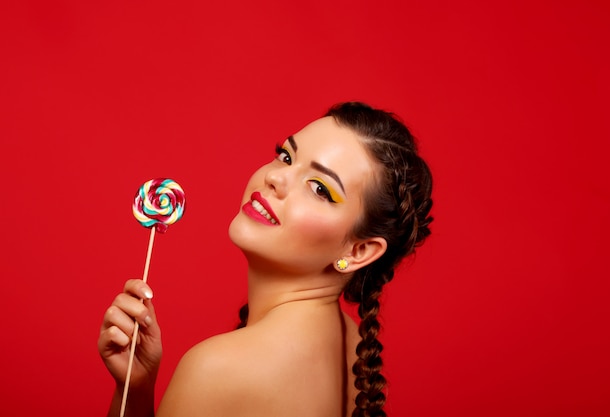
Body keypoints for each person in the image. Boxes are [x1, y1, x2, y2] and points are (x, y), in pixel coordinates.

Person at [98, 101, 433, 417]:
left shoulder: (218, 369)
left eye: (319, 188)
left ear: (358, 251)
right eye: (286, 157)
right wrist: (135, 386)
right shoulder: (354, 345)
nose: (275, 178)